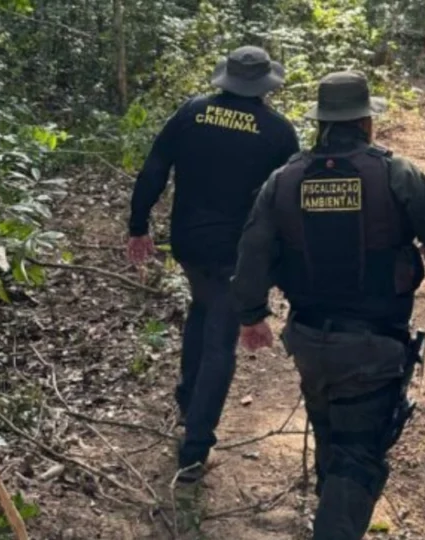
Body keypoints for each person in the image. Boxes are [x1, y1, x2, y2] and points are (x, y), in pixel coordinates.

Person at [231, 70, 425, 539]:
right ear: (365, 122)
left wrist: (252, 315)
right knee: (357, 456)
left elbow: (252, 252)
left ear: (322, 122)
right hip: (373, 346)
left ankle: (330, 513)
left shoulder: (284, 180)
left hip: (311, 340)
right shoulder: (398, 174)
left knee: (332, 436)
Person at [125, 45, 300, 484]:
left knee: (202, 309)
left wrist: (138, 224)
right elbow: (288, 203)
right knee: (221, 335)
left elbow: (154, 168)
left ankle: (188, 400)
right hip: (237, 251)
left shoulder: (191, 112)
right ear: (265, 86)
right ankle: (195, 448)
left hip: (188, 243)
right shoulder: (278, 131)